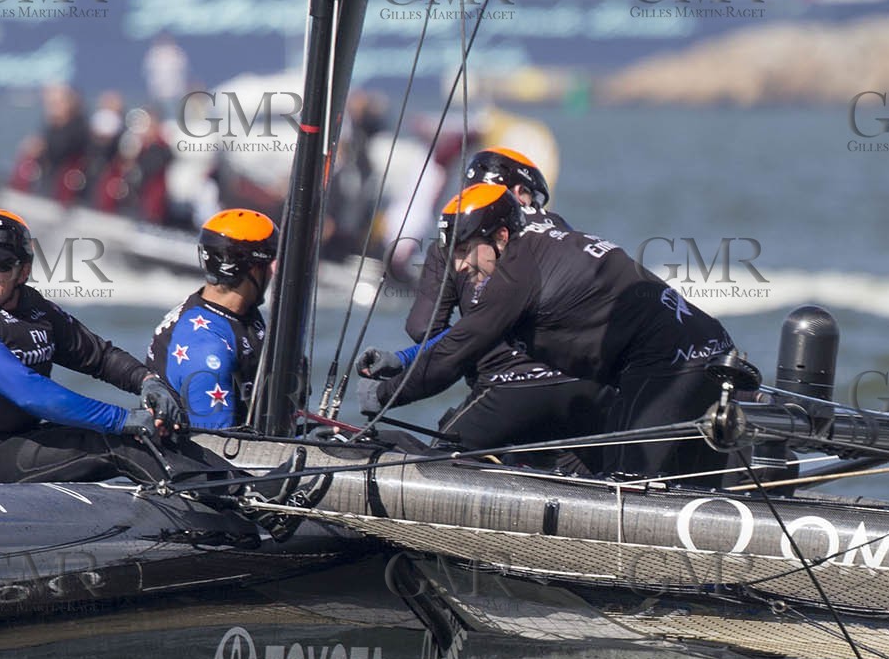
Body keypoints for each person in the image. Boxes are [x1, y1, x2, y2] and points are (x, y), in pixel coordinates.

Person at [359, 183, 736, 481]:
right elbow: (467, 335)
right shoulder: (537, 246)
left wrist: (384, 395)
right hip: (706, 350)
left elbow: (454, 355)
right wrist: (403, 360)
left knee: (626, 486)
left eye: (465, 250)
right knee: (684, 485)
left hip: (671, 365)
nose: (458, 266)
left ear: (501, 236)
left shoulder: (514, 275)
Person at [0, 208, 196, 486]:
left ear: (23, 271)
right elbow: (31, 394)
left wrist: (147, 381)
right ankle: (203, 504)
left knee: (148, 433)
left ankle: (210, 482)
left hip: (20, 441)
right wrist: (123, 419)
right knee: (118, 442)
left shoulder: (35, 308)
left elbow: (99, 357)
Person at [392, 147, 611, 471]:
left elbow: (422, 329)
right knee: (578, 473)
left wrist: (463, 344)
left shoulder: (449, 242)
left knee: (444, 461)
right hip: (583, 385)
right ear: (520, 192)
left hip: (506, 389)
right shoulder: (559, 230)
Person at [147, 209, 276, 429]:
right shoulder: (207, 350)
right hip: (208, 446)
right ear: (254, 270)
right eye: (271, 262)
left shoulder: (239, 314)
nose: (274, 272)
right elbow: (218, 446)